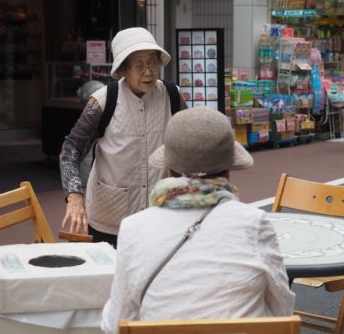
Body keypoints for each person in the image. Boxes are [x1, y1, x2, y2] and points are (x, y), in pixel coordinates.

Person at [100, 107, 295, 334]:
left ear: (170, 168)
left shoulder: (133, 227)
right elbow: (282, 310)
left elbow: (116, 322)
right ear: (227, 168)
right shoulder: (254, 223)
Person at [59, 27, 186, 247]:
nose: (148, 71)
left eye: (153, 62)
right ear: (123, 69)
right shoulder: (103, 101)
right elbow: (71, 149)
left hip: (160, 212)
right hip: (111, 217)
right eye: (139, 65)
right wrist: (74, 196)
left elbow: (188, 140)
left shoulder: (172, 96)